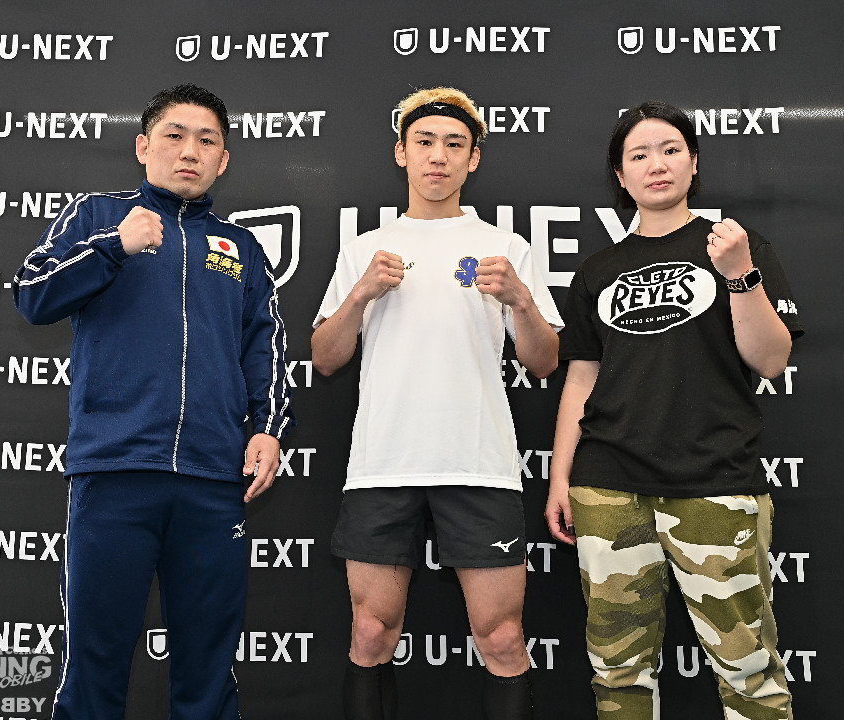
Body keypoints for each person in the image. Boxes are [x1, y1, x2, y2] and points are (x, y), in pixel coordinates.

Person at [13, 83, 294, 719]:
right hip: (115, 474)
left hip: (212, 481)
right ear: (143, 147)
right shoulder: (96, 217)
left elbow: (266, 349)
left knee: (208, 674)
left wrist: (270, 428)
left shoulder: (243, 249)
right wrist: (114, 246)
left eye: (207, 141)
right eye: (174, 135)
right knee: (94, 667)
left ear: (223, 159)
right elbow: (32, 294)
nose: (189, 151)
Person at [545, 100, 803, 719]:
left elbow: (771, 360)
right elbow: (580, 379)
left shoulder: (737, 247)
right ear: (620, 175)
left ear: (693, 163)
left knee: (748, 669)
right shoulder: (597, 270)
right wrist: (560, 479)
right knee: (617, 671)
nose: (655, 164)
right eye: (638, 155)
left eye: (669, 150)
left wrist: (739, 274)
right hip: (608, 487)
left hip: (715, 481)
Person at [312, 87, 562, 720]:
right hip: (383, 465)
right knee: (371, 632)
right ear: (401, 152)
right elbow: (325, 357)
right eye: (424, 142)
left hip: (479, 463)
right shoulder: (365, 248)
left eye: (454, 144)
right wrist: (360, 294)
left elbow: (543, 362)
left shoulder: (507, 248)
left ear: (473, 159)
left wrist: (521, 301)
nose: (438, 156)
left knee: (501, 638)